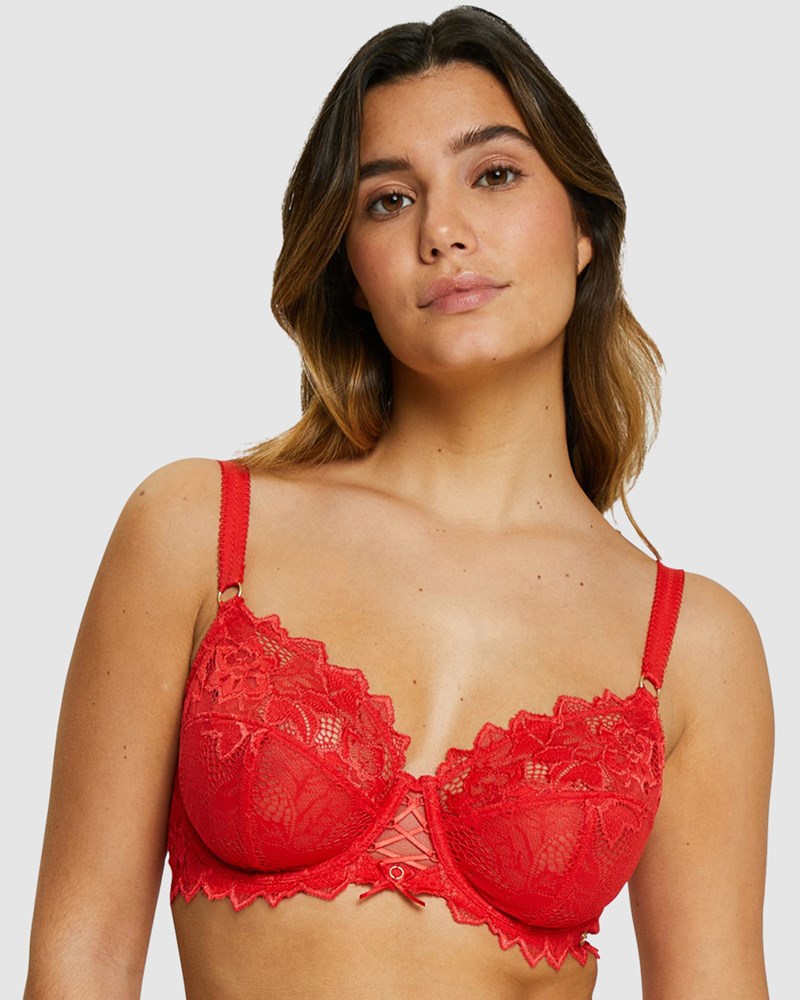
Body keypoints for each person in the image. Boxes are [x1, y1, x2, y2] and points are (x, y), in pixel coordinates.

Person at [24, 6, 773, 998]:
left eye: (493, 174)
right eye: (388, 199)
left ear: (586, 229)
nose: (442, 231)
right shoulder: (198, 531)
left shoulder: (689, 645)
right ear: (350, 267)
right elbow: (79, 960)